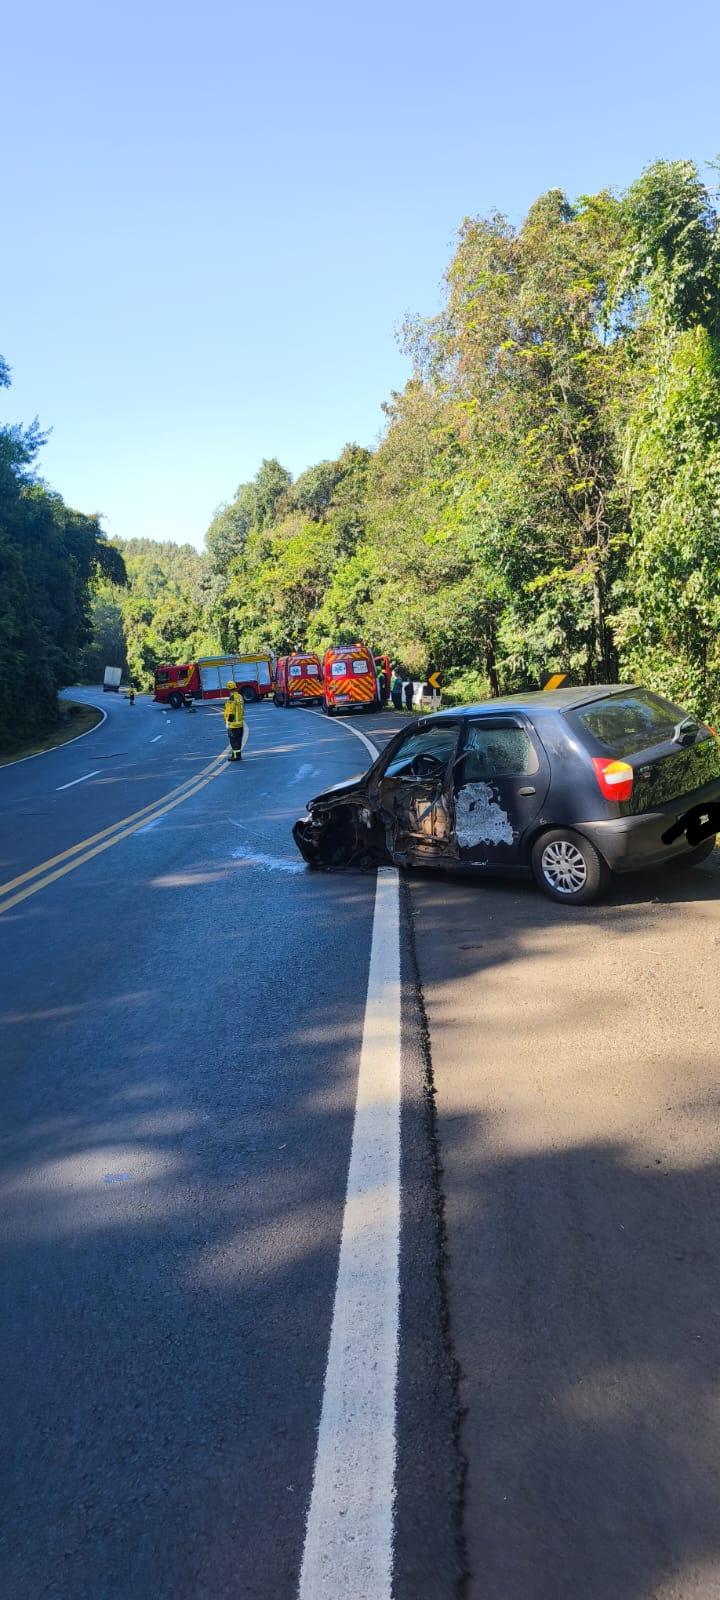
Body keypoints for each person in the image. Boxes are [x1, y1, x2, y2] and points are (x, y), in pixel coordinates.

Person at [224, 681, 245, 761]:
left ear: (229, 689)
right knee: (238, 741)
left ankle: (235, 756)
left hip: (233, 724)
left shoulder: (232, 698)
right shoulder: (240, 696)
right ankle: (238, 755)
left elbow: (231, 710)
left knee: (234, 741)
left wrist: (228, 722)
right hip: (240, 723)